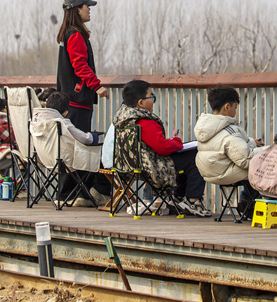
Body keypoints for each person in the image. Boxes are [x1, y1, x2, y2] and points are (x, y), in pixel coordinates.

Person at [112, 80, 211, 217]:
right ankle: (192, 199)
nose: (154, 100)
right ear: (141, 103)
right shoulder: (144, 122)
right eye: (152, 97)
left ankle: (178, 197)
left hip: (130, 165)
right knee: (196, 155)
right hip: (153, 166)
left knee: (186, 158)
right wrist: (176, 141)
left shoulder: (125, 120)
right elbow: (162, 148)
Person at [194, 86, 263, 220]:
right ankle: (250, 204)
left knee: (252, 166)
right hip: (225, 172)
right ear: (227, 106)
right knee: (262, 167)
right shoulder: (230, 132)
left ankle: (246, 203)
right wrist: (266, 151)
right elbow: (246, 159)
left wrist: (253, 143)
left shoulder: (207, 127)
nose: (236, 111)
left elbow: (231, 147)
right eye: (235, 107)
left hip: (210, 171)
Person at [31, 91, 111, 207]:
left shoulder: (36, 122)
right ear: (65, 112)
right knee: (100, 153)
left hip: (45, 161)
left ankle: (81, 195)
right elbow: (84, 139)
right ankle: (100, 190)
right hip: (66, 162)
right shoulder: (61, 122)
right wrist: (93, 136)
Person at [56, 0, 109, 132]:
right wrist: (97, 86)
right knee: (79, 145)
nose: (89, 9)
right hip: (77, 101)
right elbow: (80, 65)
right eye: (87, 5)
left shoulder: (67, 33)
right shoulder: (75, 35)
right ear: (78, 9)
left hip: (69, 100)